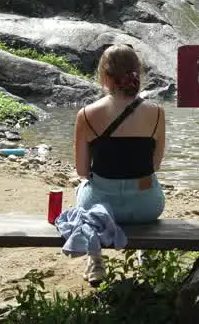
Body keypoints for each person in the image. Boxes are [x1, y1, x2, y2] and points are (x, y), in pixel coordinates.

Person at [73, 45, 166, 285]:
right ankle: (144, 256)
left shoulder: (86, 114)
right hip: (147, 207)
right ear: (137, 74)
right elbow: (155, 165)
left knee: (80, 189)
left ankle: (95, 261)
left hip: (102, 209)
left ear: (104, 76)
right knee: (149, 182)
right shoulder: (157, 113)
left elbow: (82, 171)